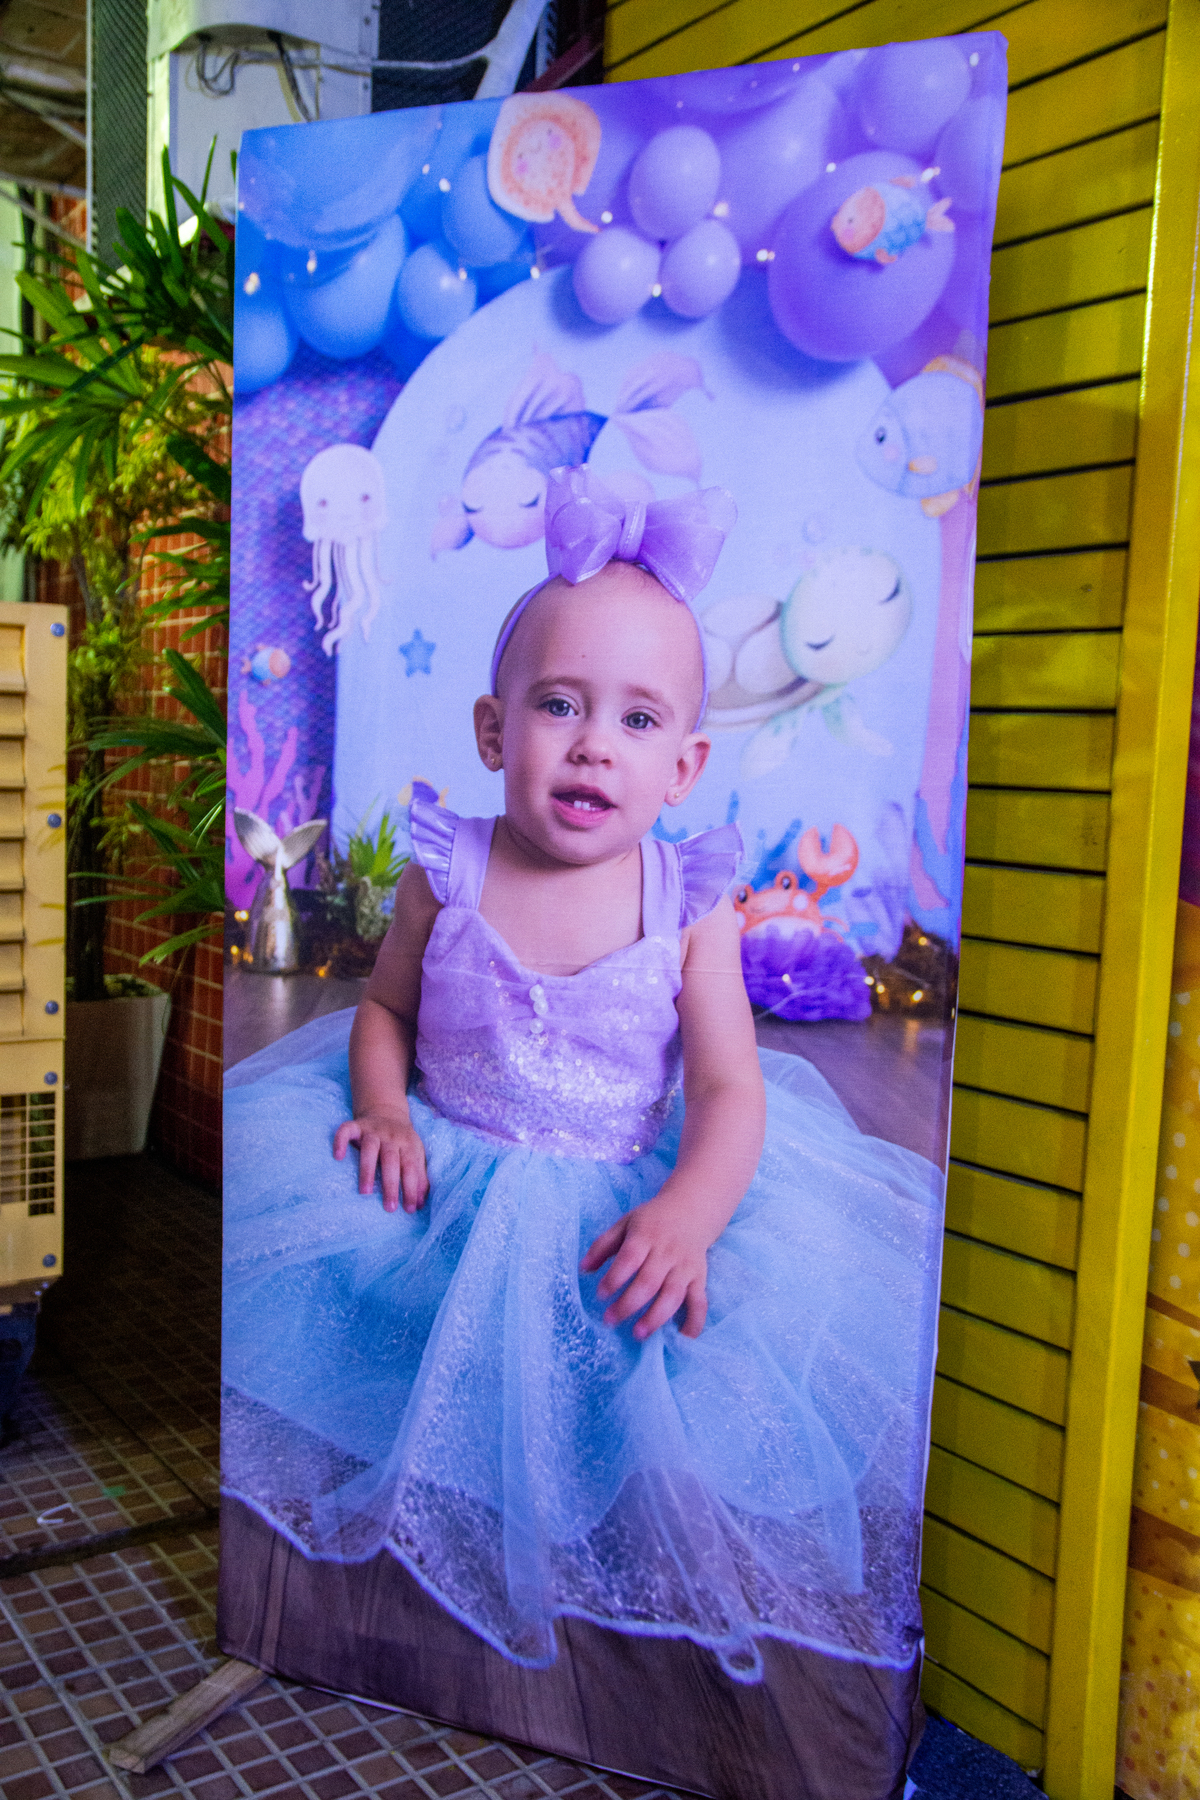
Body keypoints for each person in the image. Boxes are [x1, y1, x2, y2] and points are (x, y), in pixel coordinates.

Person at [222, 467, 943, 1686]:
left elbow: (728, 1089)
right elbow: (385, 1009)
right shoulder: (446, 871)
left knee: (643, 1329)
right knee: (371, 1256)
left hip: (613, 1182)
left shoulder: (687, 905)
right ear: (493, 729)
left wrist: (690, 1212)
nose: (595, 744)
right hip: (451, 1153)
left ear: (685, 766)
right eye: (559, 704)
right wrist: (386, 1107)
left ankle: (602, 1481)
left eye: (639, 721)